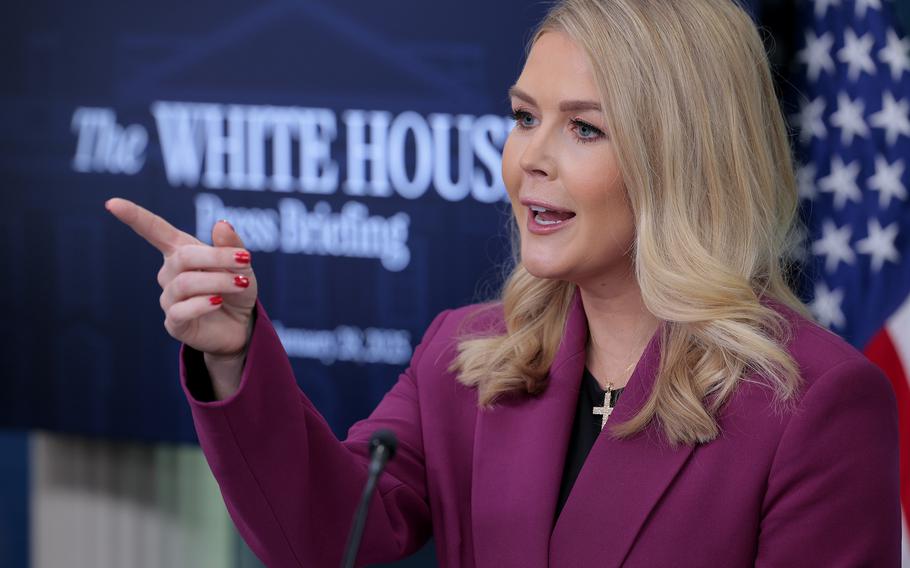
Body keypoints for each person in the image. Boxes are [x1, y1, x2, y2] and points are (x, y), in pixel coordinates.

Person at [107, 0, 901, 566]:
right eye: (525, 117)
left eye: (584, 128)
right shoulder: (470, 351)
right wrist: (233, 352)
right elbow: (321, 534)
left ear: (683, 164)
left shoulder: (816, 403)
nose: (530, 161)